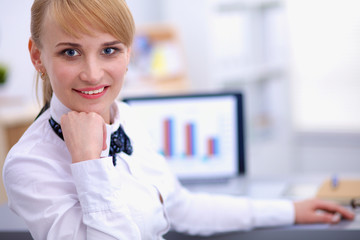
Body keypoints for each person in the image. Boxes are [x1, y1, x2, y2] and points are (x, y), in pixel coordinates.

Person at [3, 0, 354, 239]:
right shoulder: (29, 164)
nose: (93, 74)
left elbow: (180, 207)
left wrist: (290, 210)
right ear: (37, 56)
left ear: (128, 54)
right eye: (70, 52)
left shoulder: (130, 119)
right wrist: (88, 164)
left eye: (109, 50)